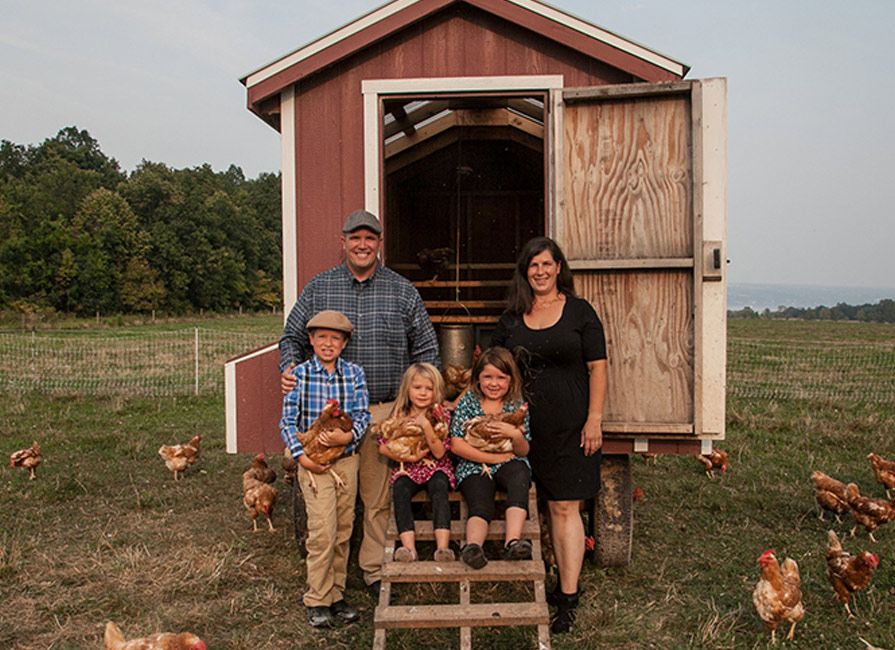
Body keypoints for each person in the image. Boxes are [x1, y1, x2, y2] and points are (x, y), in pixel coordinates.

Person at [278, 209, 441, 596]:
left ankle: (371, 569)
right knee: (331, 496)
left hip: (385, 410)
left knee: (377, 497)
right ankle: (328, 578)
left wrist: (420, 405)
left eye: (370, 238)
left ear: (379, 243)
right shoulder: (320, 288)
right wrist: (288, 367)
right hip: (331, 417)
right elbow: (291, 338)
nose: (363, 244)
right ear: (344, 242)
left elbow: (428, 349)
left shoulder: (403, 291)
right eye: (355, 237)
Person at [491, 236, 608, 634]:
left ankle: (567, 596)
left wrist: (594, 419)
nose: (540, 272)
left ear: (559, 267)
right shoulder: (510, 319)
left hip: (570, 426)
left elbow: (599, 368)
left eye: (546, 264)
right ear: (525, 273)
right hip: (521, 428)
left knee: (563, 508)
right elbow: (491, 370)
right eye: (532, 266)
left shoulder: (580, 312)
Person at [279, 310, 370, 628]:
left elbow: (362, 415)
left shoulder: (355, 374)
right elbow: (288, 422)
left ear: (344, 343)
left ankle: (336, 595)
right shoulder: (299, 375)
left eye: (335, 338)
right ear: (311, 340)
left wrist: (349, 437)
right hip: (313, 464)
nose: (328, 343)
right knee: (322, 532)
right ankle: (317, 598)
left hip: (346, 461)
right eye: (321, 337)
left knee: (344, 530)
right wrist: (302, 458)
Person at [449, 346, 532, 569]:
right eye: (488, 377)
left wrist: (515, 434)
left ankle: (512, 542)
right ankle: (473, 547)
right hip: (473, 463)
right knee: (479, 497)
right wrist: (493, 459)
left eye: (501, 378)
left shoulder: (516, 404)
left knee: (520, 476)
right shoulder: (468, 401)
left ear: (511, 380)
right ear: (477, 379)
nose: (494, 384)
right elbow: (456, 444)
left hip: (510, 461)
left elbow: (523, 450)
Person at [377, 362, 456, 563]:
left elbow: (439, 453)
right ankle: (408, 548)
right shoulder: (399, 414)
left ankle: (443, 548)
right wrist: (410, 458)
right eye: (417, 388)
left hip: (436, 466)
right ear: (407, 389)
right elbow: (383, 447)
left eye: (429, 389)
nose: (423, 393)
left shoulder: (441, 416)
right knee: (400, 489)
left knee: (439, 487)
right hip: (408, 467)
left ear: (436, 391)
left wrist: (427, 427)